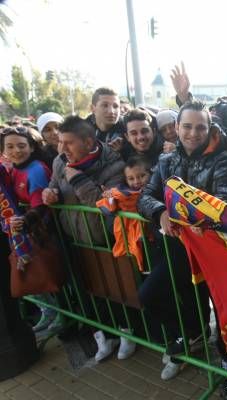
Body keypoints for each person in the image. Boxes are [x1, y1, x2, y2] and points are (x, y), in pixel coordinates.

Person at [137, 100, 227, 382]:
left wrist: (182, 217)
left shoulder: (223, 159)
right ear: (177, 128)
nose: (193, 133)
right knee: (150, 295)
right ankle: (194, 332)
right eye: (187, 126)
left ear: (209, 128)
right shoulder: (166, 160)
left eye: (200, 127)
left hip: (215, 252)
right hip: (178, 250)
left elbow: (223, 206)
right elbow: (145, 196)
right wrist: (159, 214)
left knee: (222, 311)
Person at [41, 116, 130, 362]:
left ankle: (126, 332)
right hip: (74, 237)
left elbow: (102, 205)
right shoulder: (61, 161)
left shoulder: (113, 164)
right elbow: (53, 186)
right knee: (88, 290)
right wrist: (51, 193)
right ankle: (104, 336)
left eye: (69, 143)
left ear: (89, 141)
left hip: (103, 238)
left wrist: (77, 178)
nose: (63, 148)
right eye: (61, 142)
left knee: (115, 289)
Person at [0, 126, 66, 336]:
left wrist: (25, 222)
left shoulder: (36, 169)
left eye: (21, 145)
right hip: (31, 233)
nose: (16, 151)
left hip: (44, 233)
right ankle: (50, 313)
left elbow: (40, 205)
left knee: (53, 277)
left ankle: (63, 317)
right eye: (10, 146)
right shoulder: (14, 169)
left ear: (31, 147)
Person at [86, 87, 126, 152]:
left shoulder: (127, 127)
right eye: (105, 105)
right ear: (93, 108)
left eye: (115, 106)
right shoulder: (81, 132)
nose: (111, 111)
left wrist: (123, 151)